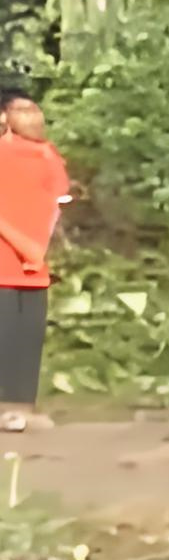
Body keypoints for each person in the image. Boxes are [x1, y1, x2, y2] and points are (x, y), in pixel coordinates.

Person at [0, 88, 68, 435]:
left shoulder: (48, 156)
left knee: (29, 340)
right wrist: (24, 245)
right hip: (4, 264)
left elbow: (57, 203)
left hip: (35, 267)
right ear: (4, 118)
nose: (33, 117)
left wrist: (39, 247)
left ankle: (20, 410)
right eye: (22, 110)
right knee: (4, 335)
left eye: (35, 109)